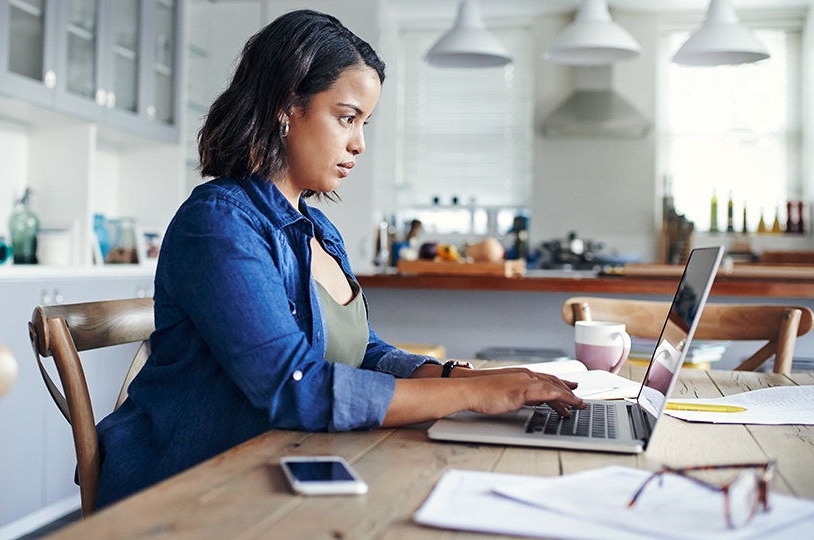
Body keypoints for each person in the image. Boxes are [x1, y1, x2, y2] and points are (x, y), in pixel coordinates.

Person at [94, 9, 583, 508]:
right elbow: (294, 386)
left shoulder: (318, 230)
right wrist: (469, 397)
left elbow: (362, 353)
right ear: (287, 106)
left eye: (364, 122)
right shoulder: (218, 223)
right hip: (190, 486)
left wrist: (471, 378)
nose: (359, 143)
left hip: (286, 464)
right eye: (347, 117)